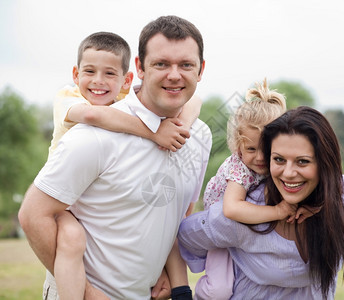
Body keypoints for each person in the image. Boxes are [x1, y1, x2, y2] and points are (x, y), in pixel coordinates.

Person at [18, 15, 211, 300]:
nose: (174, 74)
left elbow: (178, 213)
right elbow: (33, 215)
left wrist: (168, 272)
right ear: (140, 68)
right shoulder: (93, 136)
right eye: (161, 64)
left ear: (201, 69)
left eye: (185, 65)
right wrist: (87, 293)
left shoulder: (200, 136)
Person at [178, 106, 344, 299]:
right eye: (279, 159)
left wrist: (321, 204)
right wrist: (177, 287)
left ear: (324, 162)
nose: (289, 173)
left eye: (302, 161)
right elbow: (183, 235)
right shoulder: (241, 216)